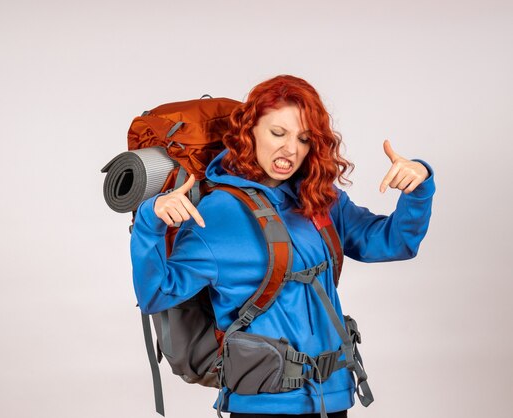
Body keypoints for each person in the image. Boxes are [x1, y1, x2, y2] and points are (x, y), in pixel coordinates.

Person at [130, 75, 435, 418]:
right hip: (263, 405)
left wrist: (418, 188)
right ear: (250, 130)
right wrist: (149, 221)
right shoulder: (219, 215)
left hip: (334, 396)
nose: (291, 149)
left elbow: (395, 243)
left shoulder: (320, 200)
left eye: (303, 139)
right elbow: (156, 294)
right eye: (278, 133)